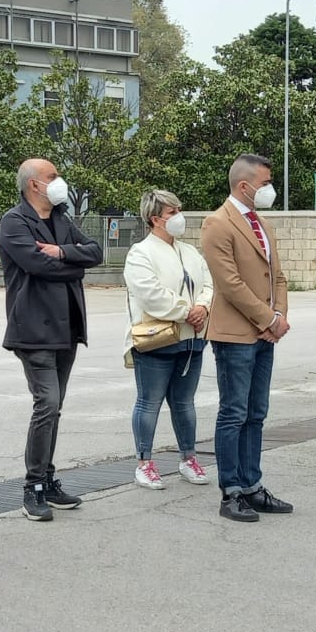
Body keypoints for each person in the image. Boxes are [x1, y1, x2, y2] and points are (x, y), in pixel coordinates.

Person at [0, 158, 104, 521]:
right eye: (53, 176)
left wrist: (62, 252)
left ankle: (47, 476)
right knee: (47, 403)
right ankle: (34, 486)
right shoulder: (14, 222)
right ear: (33, 185)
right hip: (34, 330)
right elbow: (36, 266)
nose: (59, 182)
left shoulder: (61, 217)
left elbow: (95, 252)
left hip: (67, 329)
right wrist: (72, 266)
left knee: (55, 406)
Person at [200, 153, 294, 523]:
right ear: (245, 185)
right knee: (234, 413)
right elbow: (230, 284)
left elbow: (278, 278)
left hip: (265, 333)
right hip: (236, 335)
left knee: (257, 413)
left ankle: (253, 486)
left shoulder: (262, 223)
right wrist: (267, 317)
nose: (270, 189)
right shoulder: (217, 224)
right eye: (266, 182)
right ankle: (232, 490)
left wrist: (280, 316)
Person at [122, 189, 213, 489]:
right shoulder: (140, 253)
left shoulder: (189, 252)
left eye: (178, 210)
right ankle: (144, 462)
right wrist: (187, 311)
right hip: (157, 342)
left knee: (184, 403)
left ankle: (189, 458)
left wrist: (203, 307)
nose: (179, 217)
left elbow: (209, 283)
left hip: (192, 339)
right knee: (149, 402)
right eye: (172, 212)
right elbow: (151, 295)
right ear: (155, 219)